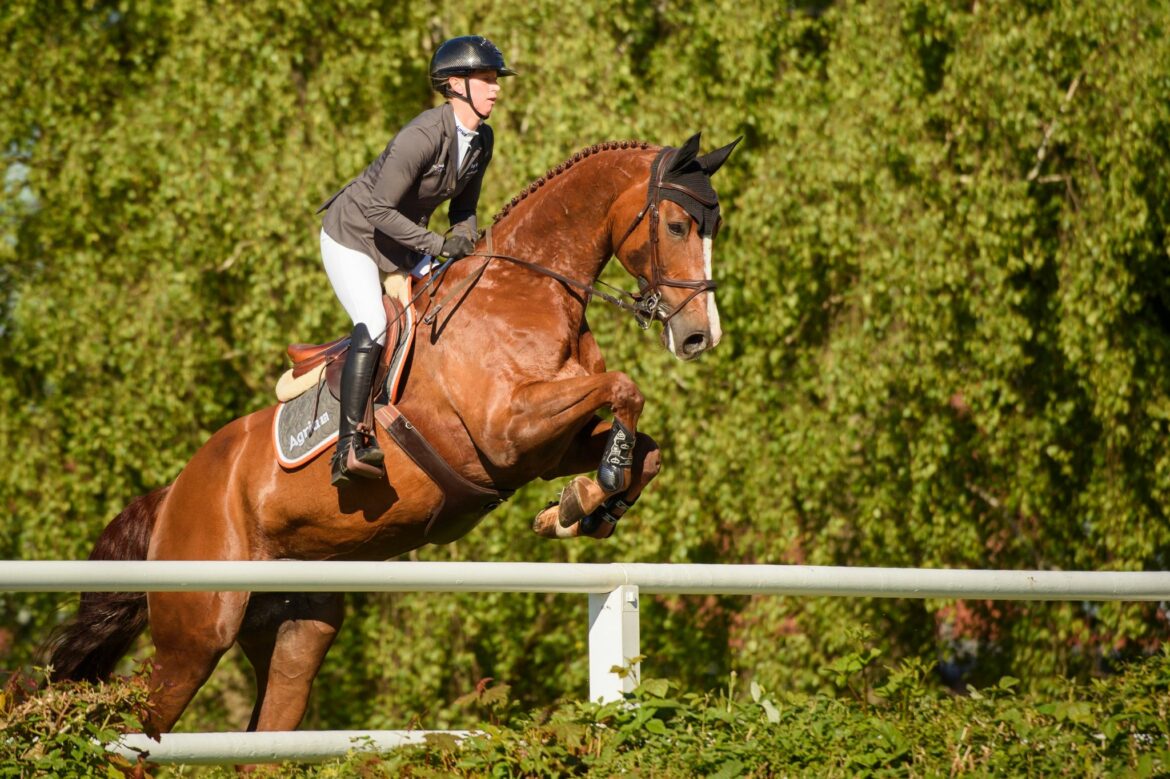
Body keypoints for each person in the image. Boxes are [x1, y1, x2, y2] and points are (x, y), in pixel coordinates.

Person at [317, 35, 515, 487]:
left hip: (404, 242)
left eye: (494, 80)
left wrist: (462, 238)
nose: (496, 88)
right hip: (354, 235)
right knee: (375, 321)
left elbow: (463, 210)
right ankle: (350, 444)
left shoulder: (482, 139)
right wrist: (435, 244)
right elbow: (377, 210)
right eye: (486, 79)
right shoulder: (422, 135)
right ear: (455, 84)